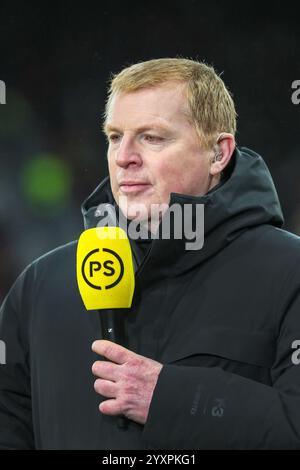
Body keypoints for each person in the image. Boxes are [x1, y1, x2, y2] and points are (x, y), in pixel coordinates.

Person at [1, 58, 300, 450]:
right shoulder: (42, 284)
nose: (124, 157)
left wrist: (174, 400)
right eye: (114, 137)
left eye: (152, 137)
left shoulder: (289, 272)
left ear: (218, 153)